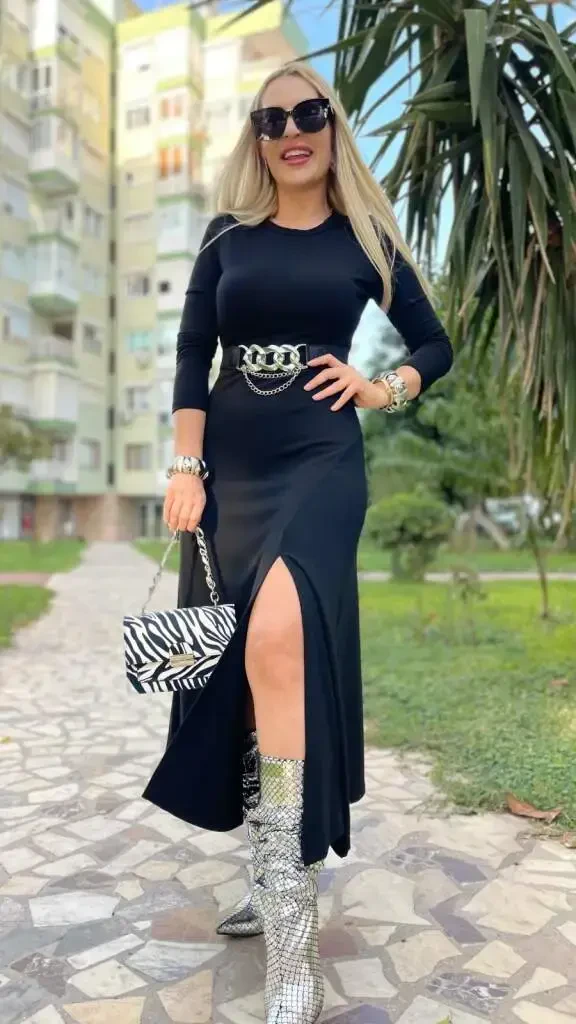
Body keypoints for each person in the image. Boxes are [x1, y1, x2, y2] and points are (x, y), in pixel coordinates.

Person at [143, 62, 453, 1024]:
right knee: (242, 669)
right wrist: (186, 466)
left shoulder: (366, 238)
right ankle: (268, 868)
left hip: (321, 459)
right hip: (229, 466)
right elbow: (193, 352)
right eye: (270, 119)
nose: (290, 131)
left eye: (307, 113)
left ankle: (291, 936)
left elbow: (434, 345)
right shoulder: (226, 236)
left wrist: (380, 387)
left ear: (332, 125)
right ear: (257, 136)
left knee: (280, 639)